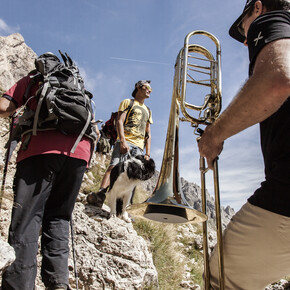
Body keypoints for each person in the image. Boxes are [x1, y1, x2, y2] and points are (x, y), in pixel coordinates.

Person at [198, 0, 290, 289]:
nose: (246, 39)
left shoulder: (273, 20)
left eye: (243, 27)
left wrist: (214, 134)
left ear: (258, 8)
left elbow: (279, 79)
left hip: (286, 198)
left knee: (220, 280)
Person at [0, 70, 100, 290]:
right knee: (59, 218)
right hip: (78, 154)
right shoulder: (76, 86)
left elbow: (4, 107)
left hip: (40, 150)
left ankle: (18, 286)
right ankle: (58, 284)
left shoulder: (35, 79)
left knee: (27, 219)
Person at [87, 80, 153, 207]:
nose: (150, 90)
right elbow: (119, 122)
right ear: (139, 87)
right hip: (125, 141)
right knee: (114, 167)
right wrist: (122, 140)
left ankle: (125, 206)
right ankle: (100, 195)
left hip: (139, 147)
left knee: (133, 177)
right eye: (148, 87)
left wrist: (147, 154)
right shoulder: (128, 102)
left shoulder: (148, 110)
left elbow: (148, 133)